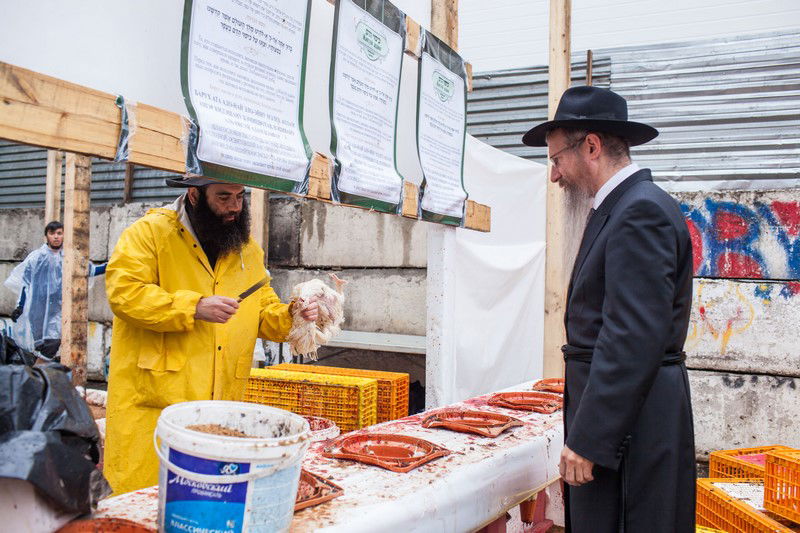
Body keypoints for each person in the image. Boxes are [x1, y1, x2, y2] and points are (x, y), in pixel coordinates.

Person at [522, 86, 695, 532]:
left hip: (629, 433)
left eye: (556, 159)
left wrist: (590, 439)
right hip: (629, 420)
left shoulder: (639, 212)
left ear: (592, 147)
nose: (555, 175)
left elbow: (632, 336)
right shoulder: (626, 207)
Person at [103, 176, 319, 495]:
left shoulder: (247, 250)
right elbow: (124, 294)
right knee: (145, 503)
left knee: (205, 506)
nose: (234, 206)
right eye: (223, 197)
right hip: (156, 405)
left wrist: (294, 316)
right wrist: (194, 307)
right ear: (194, 195)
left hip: (220, 408)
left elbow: (264, 311)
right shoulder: (149, 233)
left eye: (239, 196)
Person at [4, 221, 105, 359]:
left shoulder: (69, 257)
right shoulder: (36, 258)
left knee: (52, 344)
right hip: (37, 309)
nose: (56, 237)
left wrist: (111, 265)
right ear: (47, 235)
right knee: (40, 347)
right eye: (52, 233)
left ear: (64, 235)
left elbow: (89, 270)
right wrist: (20, 307)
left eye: (59, 233)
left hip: (58, 309)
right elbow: (25, 284)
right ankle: (40, 374)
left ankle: (39, 374)